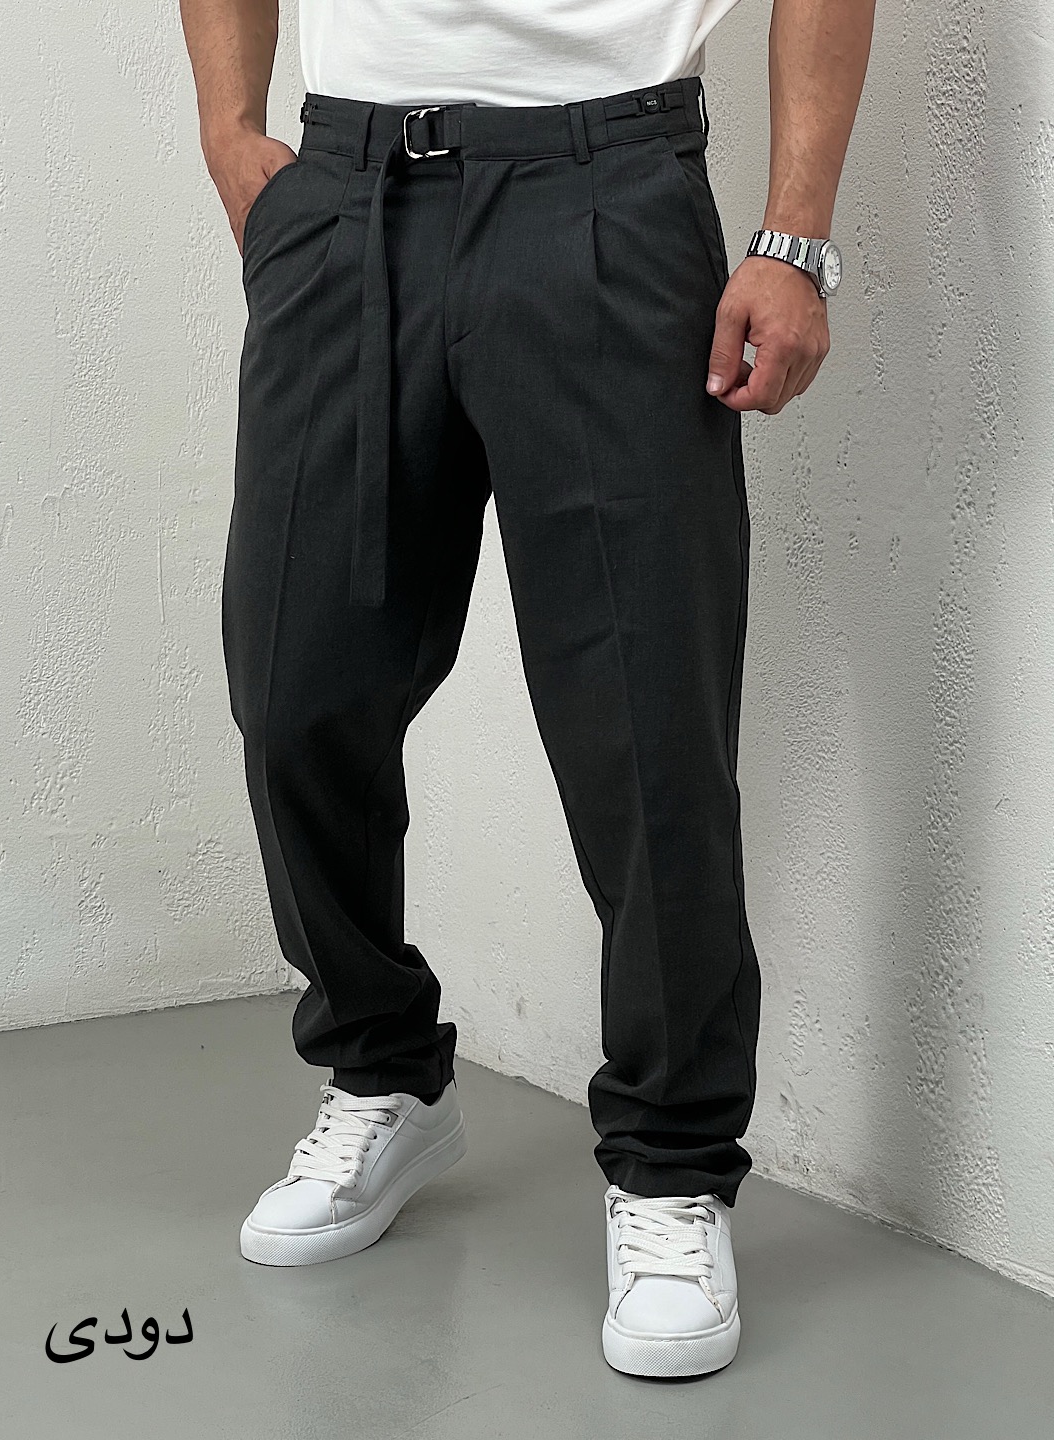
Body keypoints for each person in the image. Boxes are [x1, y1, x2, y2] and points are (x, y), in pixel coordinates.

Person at [179, 0, 873, 1378]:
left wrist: (795, 237)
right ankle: (381, 1069)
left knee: (647, 722)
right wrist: (226, 129)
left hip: (610, 182)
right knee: (293, 684)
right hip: (348, 191)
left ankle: (672, 1167)